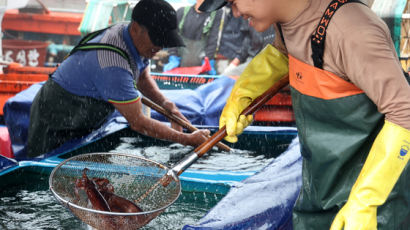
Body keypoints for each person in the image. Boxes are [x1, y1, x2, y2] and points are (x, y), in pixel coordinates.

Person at [200, 0, 410, 229]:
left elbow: (404, 112)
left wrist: (366, 202)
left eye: (233, 2)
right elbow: (286, 54)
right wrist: (246, 91)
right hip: (319, 194)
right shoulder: (285, 24)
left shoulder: (352, 31)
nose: (236, 13)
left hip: (377, 210)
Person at [27, 0, 209, 158]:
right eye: (156, 39)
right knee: (48, 171)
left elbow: (142, 75)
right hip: (56, 117)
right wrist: (186, 139)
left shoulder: (131, 37)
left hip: (84, 116)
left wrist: (167, 104)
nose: (159, 46)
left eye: (164, 40)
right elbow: (138, 122)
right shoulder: (112, 63)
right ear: (136, 28)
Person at [163, 0, 222, 75]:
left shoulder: (216, 14)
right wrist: (173, 57)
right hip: (180, 66)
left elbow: (213, 40)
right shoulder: (182, 12)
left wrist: (208, 60)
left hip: (202, 69)